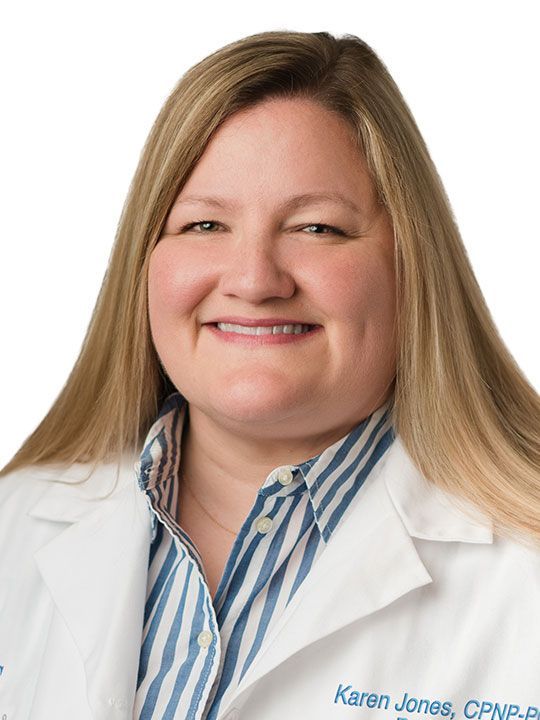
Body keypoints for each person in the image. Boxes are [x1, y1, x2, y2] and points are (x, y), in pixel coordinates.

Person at [0, 29, 538, 720]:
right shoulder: (14, 529)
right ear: (145, 261)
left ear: (411, 266)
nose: (255, 280)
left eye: (316, 228)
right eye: (203, 226)